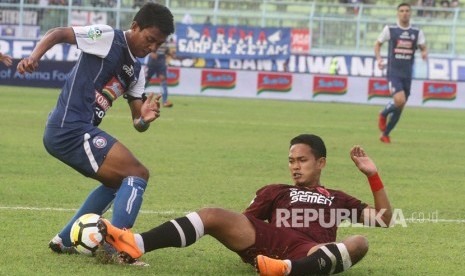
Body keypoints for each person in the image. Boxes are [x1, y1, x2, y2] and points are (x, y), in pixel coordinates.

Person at [97, 134, 393, 275]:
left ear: (321, 162)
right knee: (213, 213)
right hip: (273, 240)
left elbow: (384, 218)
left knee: (359, 242)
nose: (295, 167)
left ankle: (288, 270)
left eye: (302, 160)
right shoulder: (276, 191)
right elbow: (245, 223)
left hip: (310, 249)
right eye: (291, 161)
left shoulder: (337, 198)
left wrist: (373, 175)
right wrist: (248, 248)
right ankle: (135, 243)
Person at [16, 3, 174, 258]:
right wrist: (34, 57)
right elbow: (58, 33)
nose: (152, 48)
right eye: (150, 39)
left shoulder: (136, 72)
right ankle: (120, 247)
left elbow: (137, 122)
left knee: (117, 182)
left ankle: (64, 240)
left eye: (158, 44)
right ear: (135, 26)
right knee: (138, 173)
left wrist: (144, 119)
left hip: (78, 130)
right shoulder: (108, 37)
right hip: (69, 127)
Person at [375, 3, 428, 143]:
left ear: (410, 13)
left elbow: (423, 46)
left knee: (400, 107)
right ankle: (383, 113)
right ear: (398, 13)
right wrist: (379, 59)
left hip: (407, 74)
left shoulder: (416, 32)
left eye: (407, 11)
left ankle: (385, 134)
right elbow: (378, 44)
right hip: (394, 72)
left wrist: (424, 52)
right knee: (400, 100)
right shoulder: (390, 29)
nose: (404, 13)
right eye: (402, 11)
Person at [145, 40, 173, 108]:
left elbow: (167, 51)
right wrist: (152, 52)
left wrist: (170, 54)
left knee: (163, 80)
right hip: (152, 61)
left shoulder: (166, 42)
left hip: (161, 61)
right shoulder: (155, 37)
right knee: (146, 80)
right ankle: (137, 96)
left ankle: (165, 101)